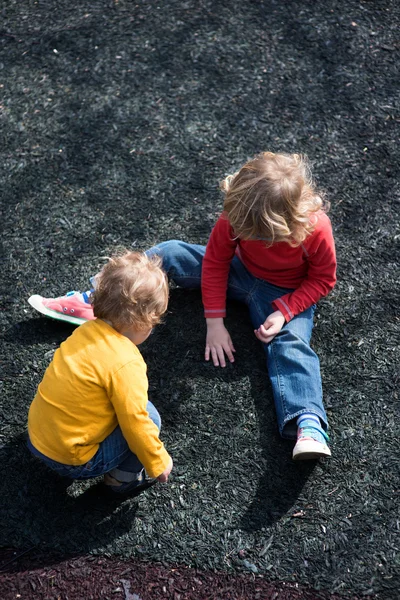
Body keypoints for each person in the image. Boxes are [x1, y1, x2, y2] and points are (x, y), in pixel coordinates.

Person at [28, 152, 337, 461]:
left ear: (287, 223)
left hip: (284, 293)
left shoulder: (316, 228)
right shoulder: (238, 212)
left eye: (256, 234)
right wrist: (215, 322)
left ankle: (307, 422)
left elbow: (323, 279)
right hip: (238, 272)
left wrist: (284, 311)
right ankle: (97, 301)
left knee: (292, 344)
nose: (242, 232)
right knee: (171, 252)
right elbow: (216, 262)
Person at [27, 251, 173, 497]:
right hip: (71, 458)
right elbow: (136, 422)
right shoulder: (126, 362)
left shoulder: (85, 331)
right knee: (150, 416)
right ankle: (120, 481)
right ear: (144, 322)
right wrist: (159, 462)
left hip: (37, 437)